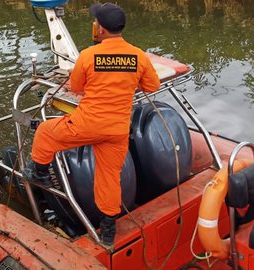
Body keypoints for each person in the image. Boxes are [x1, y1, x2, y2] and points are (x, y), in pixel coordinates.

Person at [24, 2, 160, 251]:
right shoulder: (138, 55)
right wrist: (127, 85)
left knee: (45, 132)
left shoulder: (88, 55)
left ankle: (40, 173)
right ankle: (108, 230)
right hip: (117, 130)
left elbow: (76, 88)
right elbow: (152, 86)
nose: (94, 24)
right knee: (109, 178)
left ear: (101, 28)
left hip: (87, 125)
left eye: (95, 21)